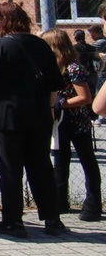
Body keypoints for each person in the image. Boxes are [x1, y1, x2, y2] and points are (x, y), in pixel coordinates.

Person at [0, 2, 65, 237]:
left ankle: (13, 221)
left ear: (3, 22)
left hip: (7, 115)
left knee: (9, 169)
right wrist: (49, 107)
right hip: (39, 113)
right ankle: (52, 218)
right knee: (41, 166)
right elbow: (55, 84)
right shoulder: (41, 45)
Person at [42, 29, 100, 222]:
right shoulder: (51, 67)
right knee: (60, 160)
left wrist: (61, 104)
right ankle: (60, 202)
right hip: (60, 122)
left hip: (77, 122)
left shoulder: (72, 68)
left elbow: (85, 98)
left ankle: (93, 205)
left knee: (87, 162)